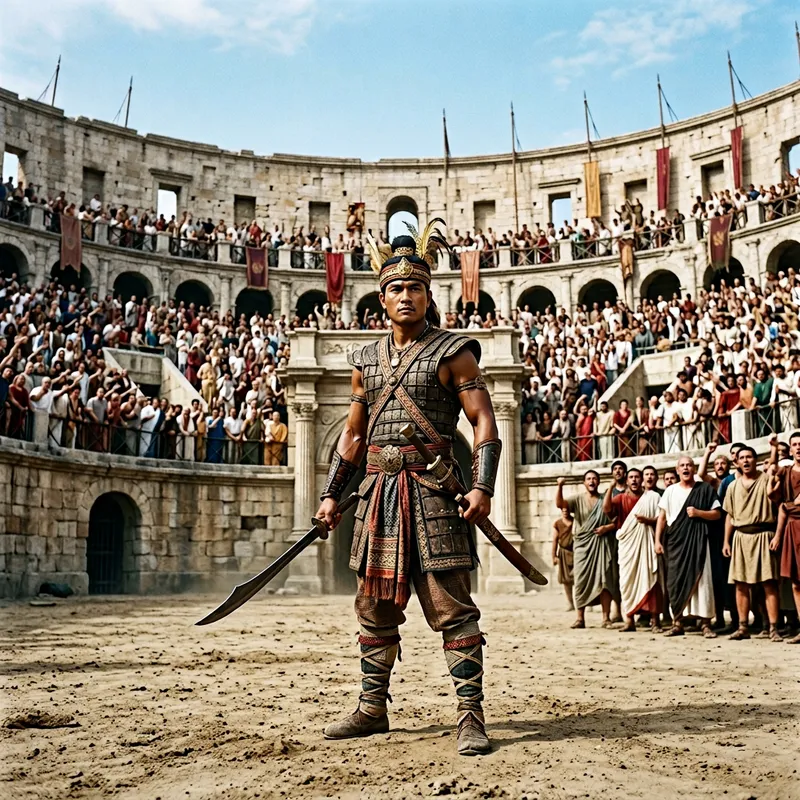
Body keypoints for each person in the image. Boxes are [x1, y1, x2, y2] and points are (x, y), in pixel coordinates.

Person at [315, 224, 500, 756]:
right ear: (381, 297)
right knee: (372, 607)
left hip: (435, 494)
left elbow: (483, 422)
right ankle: (372, 709)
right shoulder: (365, 361)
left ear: (428, 294)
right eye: (396, 289)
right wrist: (331, 493)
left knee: (452, 606)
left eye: (415, 288)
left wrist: (482, 485)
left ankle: (469, 715)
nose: (405, 296)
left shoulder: (454, 352)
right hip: (377, 498)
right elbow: (353, 435)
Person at [655, 456, 720, 638]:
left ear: (693, 469)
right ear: (677, 470)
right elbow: (662, 517)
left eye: (689, 465)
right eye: (682, 465)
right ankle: (677, 622)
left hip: (698, 541)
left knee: (702, 580)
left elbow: (717, 514)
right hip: (675, 543)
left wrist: (699, 513)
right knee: (675, 581)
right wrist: (657, 541)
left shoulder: (705, 489)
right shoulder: (670, 491)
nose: (686, 468)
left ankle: (706, 623)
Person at [723, 446, 782, 641]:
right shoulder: (732, 486)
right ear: (736, 462)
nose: (746, 461)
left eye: (749, 457)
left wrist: (777, 536)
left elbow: (779, 505)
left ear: (756, 460)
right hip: (740, 537)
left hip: (764, 535)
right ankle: (742, 627)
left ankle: (773, 628)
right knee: (740, 584)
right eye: (742, 458)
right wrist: (726, 541)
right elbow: (730, 516)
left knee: (769, 583)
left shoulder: (766, 480)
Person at [556, 472, 618, 629]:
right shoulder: (577, 499)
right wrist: (560, 486)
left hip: (602, 543)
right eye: (589, 479)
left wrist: (607, 528)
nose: (592, 481)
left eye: (595, 479)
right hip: (582, 545)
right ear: (584, 483)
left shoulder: (604, 498)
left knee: (604, 580)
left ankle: (606, 618)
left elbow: (614, 517)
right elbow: (560, 504)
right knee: (581, 580)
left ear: (598, 482)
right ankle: (580, 618)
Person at [604, 468, 663, 632]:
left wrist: (647, 520)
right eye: (631, 477)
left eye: (637, 477)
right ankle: (629, 621)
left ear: (642, 480)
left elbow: (662, 519)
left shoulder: (652, 497)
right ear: (627, 480)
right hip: (627, 546)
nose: (635, 480)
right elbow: (607, 510)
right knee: (626, 581)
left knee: (651, 578)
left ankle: (655, 621)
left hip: (647, 543)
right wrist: (610, 488)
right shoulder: (620, 498)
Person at [768, 430, 800, 644]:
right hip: (792, 527)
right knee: (797, 582)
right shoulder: (787, 472)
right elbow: (777, 501)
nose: (799, 447)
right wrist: (772, 448)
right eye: (795, 444)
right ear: (790, 449)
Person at [551, 506, 574, 611]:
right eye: (563, 509)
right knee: (566, 580)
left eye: (567, 509)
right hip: (563, 553)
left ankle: (582, 603)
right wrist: (554, 556)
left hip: (576, 552)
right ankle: (570, 603)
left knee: (580, 579)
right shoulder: (558, 524)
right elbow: (555, 540)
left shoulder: (575, 522)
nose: (565, 511)